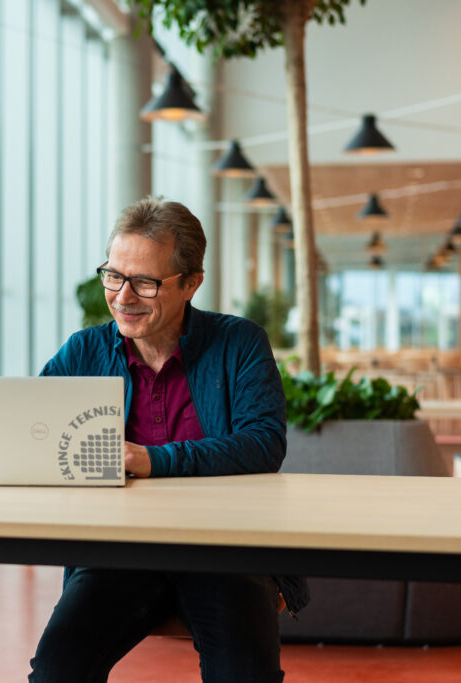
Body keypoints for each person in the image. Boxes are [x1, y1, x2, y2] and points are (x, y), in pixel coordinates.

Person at [28, 197, 306, 683]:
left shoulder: (239, 343)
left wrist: (153, 461)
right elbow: (33, 435)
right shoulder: (84, 351)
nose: (122, 296)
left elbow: (263, 444)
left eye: (146, 282)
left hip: (225, 548)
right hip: (118, 551)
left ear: (192, 283)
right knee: (57, 670)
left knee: (243, 675)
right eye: (113, 275)